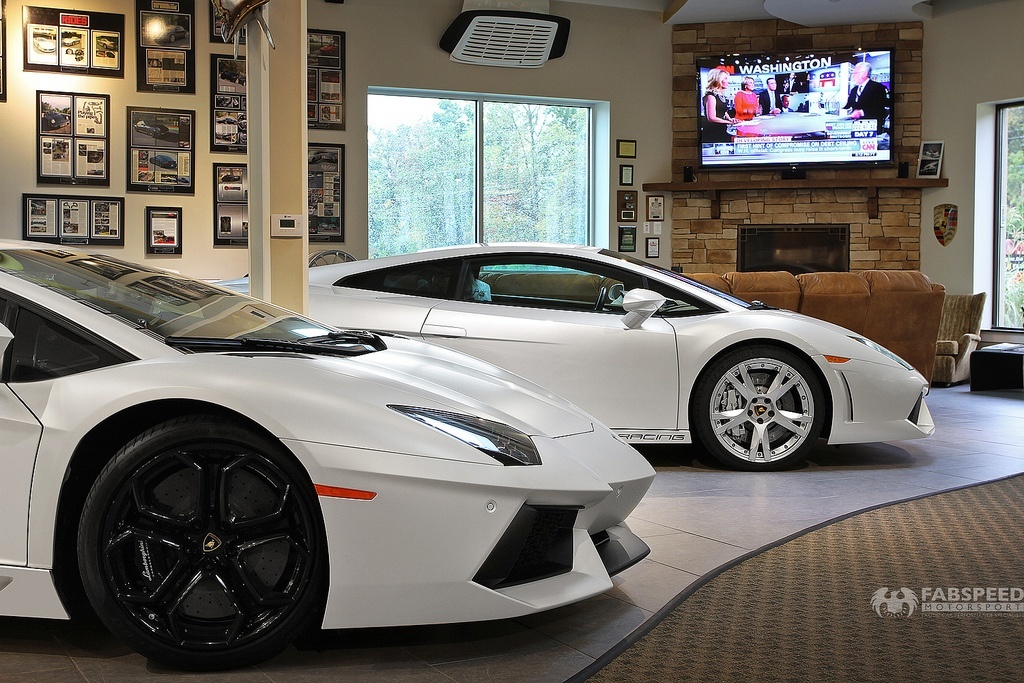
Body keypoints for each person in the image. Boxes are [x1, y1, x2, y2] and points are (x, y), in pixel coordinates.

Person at [844, 61, 889, 135]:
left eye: (855, 73)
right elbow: (848, 106)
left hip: (871, 129)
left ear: (864, 74)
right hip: (855, 127)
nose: (852, 76)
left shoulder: (877, 87)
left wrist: (861, 112)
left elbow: (879, 108)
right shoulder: (854, 90)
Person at [702, 67, 734, 143]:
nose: (728, 81)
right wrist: (728, 122)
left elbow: (722, 110)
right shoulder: (710, 96)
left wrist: (730, 119)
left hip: (722, 130)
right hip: (713, 132)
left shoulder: (721, 95)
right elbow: (712, 118)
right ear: (717, 80)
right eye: (725, 78)